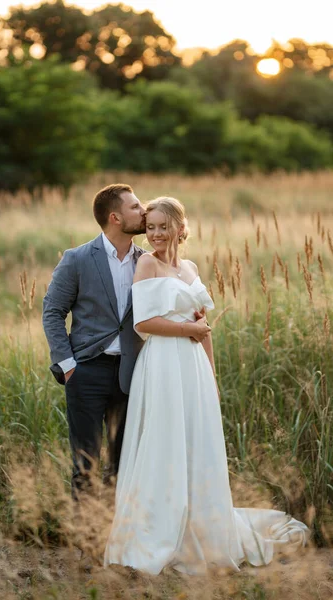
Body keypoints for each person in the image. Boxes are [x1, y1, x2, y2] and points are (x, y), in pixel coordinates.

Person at [104, 197, 310, 575]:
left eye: (163, 227)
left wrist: (211, 377)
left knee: (195, 441)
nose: (155, 234)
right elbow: (143, 324)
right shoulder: (146, 264)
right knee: (164, 443)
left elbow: (204, 327)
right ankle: (161, 531)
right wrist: (189, 330)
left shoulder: (191, 268)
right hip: (163, 364)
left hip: (193, 367)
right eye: (150, 227)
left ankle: (200, 524)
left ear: (181, 228)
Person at [42, 184, 211, 499]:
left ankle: (117, 538)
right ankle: (85, 542)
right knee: (85, 463)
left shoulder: (149, 261)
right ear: (115, 217)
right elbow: (52, 312)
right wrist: (67, 365)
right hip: (86, 371)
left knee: (125, 463)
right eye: (136, 207)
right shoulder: (77, 258)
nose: (143, 211)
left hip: (134, 372)